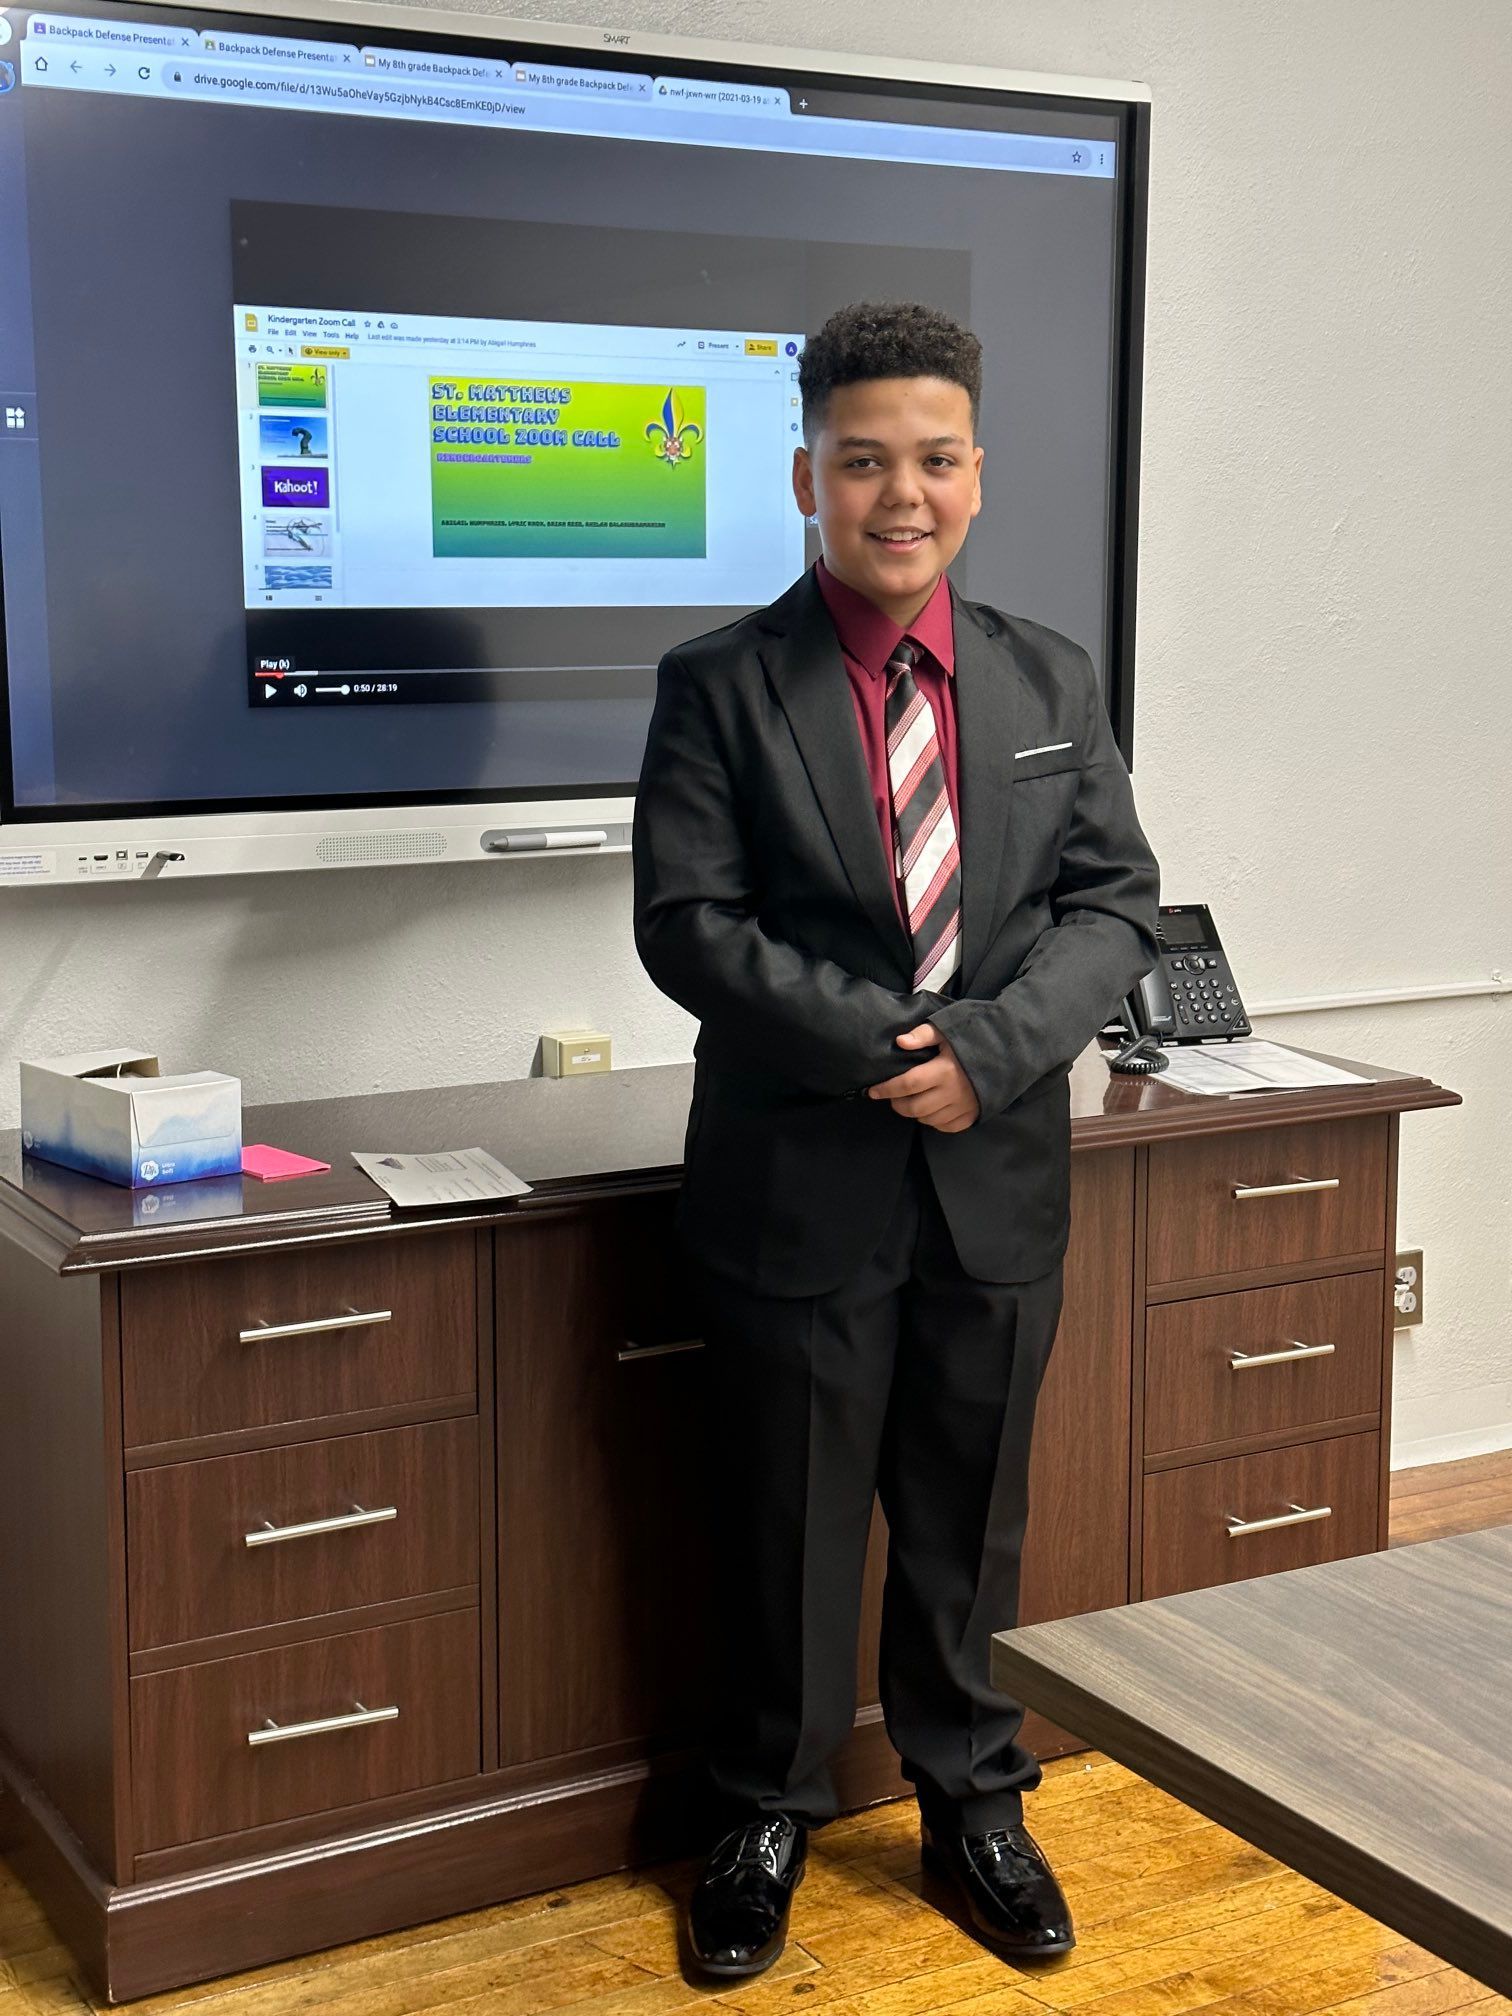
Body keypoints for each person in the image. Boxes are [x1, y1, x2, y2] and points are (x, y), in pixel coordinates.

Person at [631, 300, 1160, 1979]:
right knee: (786, 1518)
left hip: (997, 1183)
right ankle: (766, 1811)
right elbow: (688, 924)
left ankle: (972, 1801)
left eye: (934, 460)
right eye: (864, 462)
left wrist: (990, 1053)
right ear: (807, 474)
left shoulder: (1047, 678)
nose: (900, 494)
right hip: (800, 1185)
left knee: (968, 1514)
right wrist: (894, 1052)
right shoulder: (719, 684)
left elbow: (1113, 904)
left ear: (978, 476)